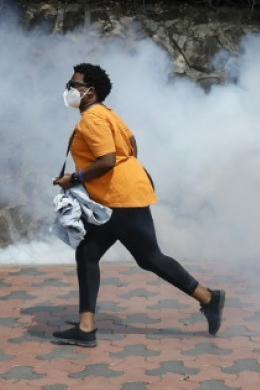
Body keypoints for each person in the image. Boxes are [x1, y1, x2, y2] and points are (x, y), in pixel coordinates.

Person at [52, 62, 225, 347]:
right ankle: (86, 327)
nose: (68, 90)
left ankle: (209, 297)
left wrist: (75, 178)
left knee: (149, 258)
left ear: (90, 92)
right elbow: (132, 145)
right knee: (89, 253)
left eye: (74, 85)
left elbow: (107, 160)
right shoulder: (108, 114)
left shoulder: (92, 119)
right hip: (120, 195)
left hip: (119, 199)